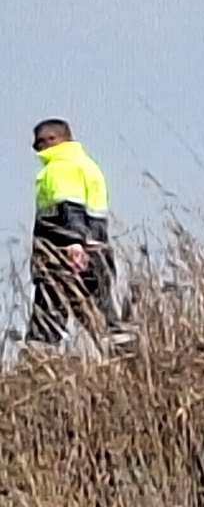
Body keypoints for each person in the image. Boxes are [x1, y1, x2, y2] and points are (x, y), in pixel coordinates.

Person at [28, 118, 112, 343]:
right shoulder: (87, 166)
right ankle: (130, 358)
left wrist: (73, 243)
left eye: (40, 142)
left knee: (46, 324)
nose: (38, 149)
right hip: (97, 254)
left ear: (51, 139)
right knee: (103, 320)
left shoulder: (59, 168)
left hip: (63, 256)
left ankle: (38, 362)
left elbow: (69, 208)